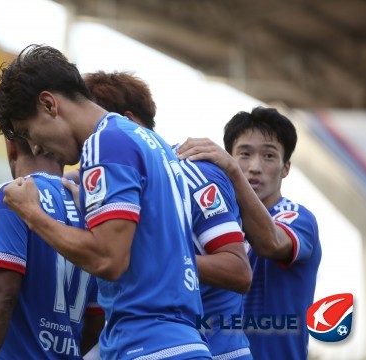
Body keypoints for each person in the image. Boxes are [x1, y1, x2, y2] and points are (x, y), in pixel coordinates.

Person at [0, 44, 212, 359]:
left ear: (49, 104)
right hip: (179, 339)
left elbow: (108, 260)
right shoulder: (148, 141)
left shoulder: (103, 142)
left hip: (147, 346)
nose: (37, 147)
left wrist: (32, 213)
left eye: (29, 132)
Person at [84, 71, 253, 360]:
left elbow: (238, 270)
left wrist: (154, 257)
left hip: (217, 350)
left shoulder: (195, 170)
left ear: (128, 122)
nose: (89, 146)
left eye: (93, 127)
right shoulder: (109, 185)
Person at [177, 107, 322, 360]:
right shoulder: (212, 222)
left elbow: (271, 243)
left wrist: (233, 173)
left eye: (268, 156)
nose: (254, 167)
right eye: (244, 154)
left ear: (285, 167)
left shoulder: (297, 217)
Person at [0, 136, 104, 359]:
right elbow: (96, 322)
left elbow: (0, 296)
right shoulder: (88, 212)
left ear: (11, 146)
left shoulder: (11, 196)